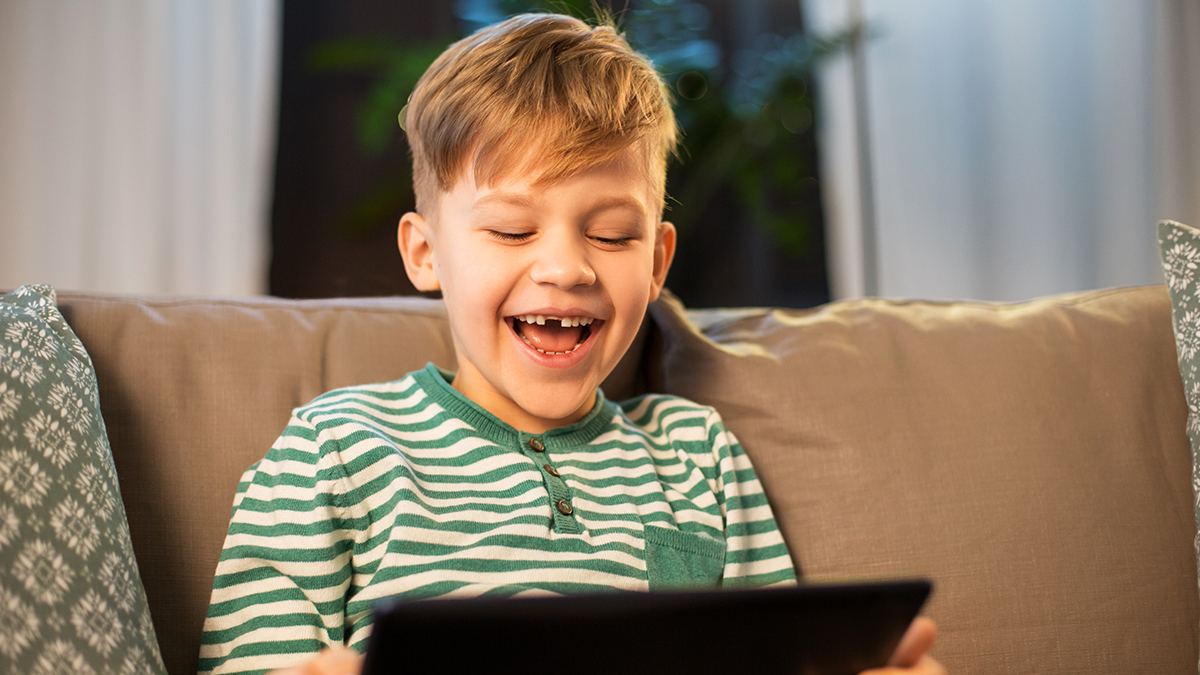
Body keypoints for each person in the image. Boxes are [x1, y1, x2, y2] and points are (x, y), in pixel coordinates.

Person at [198, 12, 944, 675]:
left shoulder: (700, 457)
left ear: (655, 262)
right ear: (424, 253)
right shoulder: (334, 448)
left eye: (612, 234)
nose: (566, 267)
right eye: (512, 229)